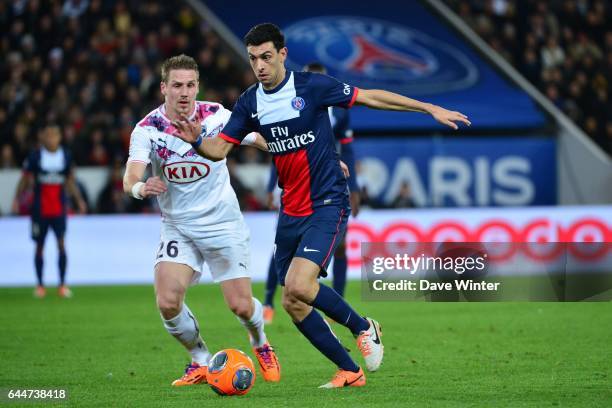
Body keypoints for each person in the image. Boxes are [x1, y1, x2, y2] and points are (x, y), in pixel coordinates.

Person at [172, 23, 470, 389]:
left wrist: (428, 108)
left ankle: (363, 326)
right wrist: (198, 139)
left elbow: (370, 97)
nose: (260, 65)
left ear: (282, 54)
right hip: (291, 209)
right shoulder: (250, 101)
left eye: (266, 57)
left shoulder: (311, 87)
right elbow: (220, 150)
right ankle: (350, 370)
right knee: (292, 302)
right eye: (253, 59)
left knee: (299, 283)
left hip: (327, 201)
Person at [122, 54, 280, 387]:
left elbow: (259, 139)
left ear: (197, 87)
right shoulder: (147, 130)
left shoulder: (217, 116)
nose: (184, 92)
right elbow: (130, 176)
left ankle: (260, 342)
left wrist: (298, 150)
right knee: (167, 302)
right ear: (164, 87)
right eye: (177, 85)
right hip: (178, 226)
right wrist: (140, 187)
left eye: (190, 85)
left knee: (239, 305)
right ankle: (200, 360)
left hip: (223, 224)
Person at [262, 62, 360, 324]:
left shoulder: (339, 111)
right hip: (297, 187)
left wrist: (356, 187)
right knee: (283, 246)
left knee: (339, 248)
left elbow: (348, 149)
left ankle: (338, 303)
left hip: (332, 184)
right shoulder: (291, 104)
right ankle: (269, 299)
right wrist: (273, 185)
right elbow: (279, 148)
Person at [12, 124, 87, 298]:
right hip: (39, 210)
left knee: (61, 244)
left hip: (59, 209)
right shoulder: (35, 156)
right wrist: (17, 199)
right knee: (39, 246)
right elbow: (24, 179)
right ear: (42, 137)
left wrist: (78, 200)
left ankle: (62, 285)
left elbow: (69, 181)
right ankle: (40, 285)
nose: (51, 138)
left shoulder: (65, 156)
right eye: (48, 135)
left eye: (54, 135)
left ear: (60, 137)